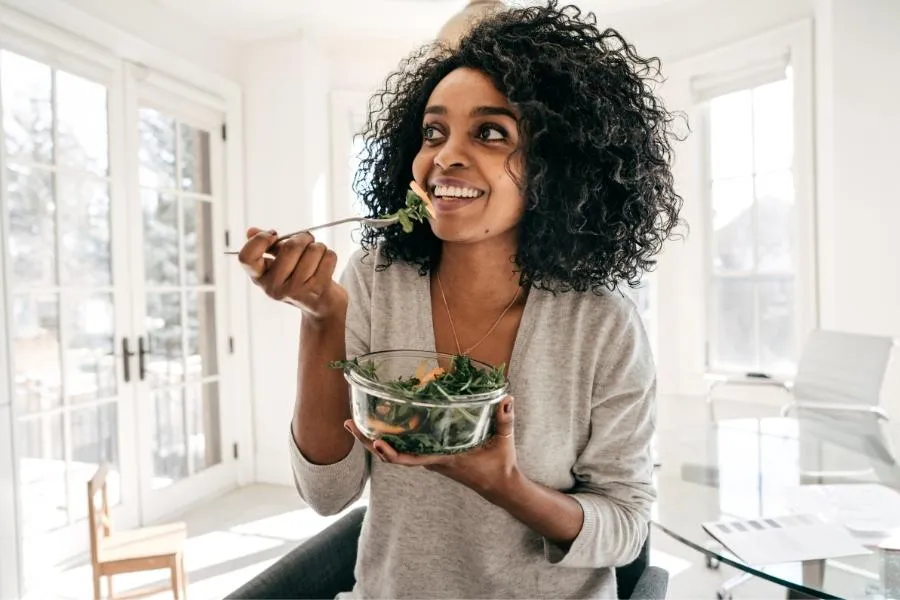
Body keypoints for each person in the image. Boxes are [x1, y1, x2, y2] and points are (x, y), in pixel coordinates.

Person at [238, 1, 683, 597]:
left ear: (556, 165)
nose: (444, 155)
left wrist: (507, 485)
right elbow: (327, 495)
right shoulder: (377, 279)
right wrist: (324, 314)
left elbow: (627, 529)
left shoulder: (602, 325)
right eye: (433, 131)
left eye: (491, 132)